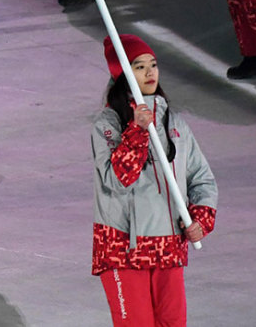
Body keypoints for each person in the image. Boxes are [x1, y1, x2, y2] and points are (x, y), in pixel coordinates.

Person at [92, 34, 217, 326]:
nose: (150, 72)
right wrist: (136, 131)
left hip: (168, 245)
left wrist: (199, 218)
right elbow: (117, 180)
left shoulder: (175, 124)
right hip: (124, 247)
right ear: (123, 73)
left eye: (153, 64)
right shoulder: (107, 126)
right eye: (139, 66)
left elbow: (202, 179)